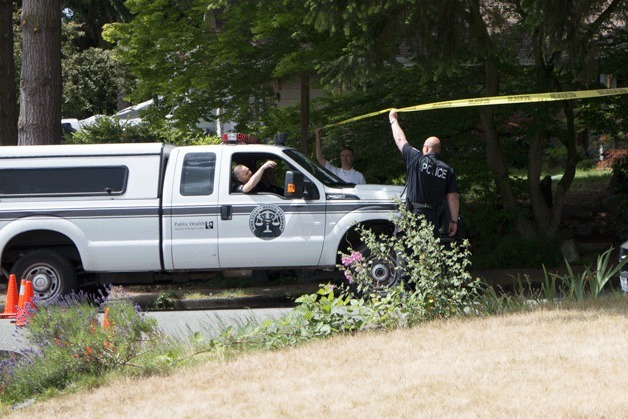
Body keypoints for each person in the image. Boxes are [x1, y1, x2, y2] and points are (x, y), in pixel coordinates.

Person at [388, 109, 459, 237]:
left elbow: (400, 140)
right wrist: (454, 221)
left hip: (413, 213)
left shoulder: (416, 158)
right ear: (438, 150)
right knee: (428, 252)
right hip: (433, 217)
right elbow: (453, 197)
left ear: (426, 148)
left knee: (407, 250)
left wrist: (393, 119)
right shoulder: (448, 170)